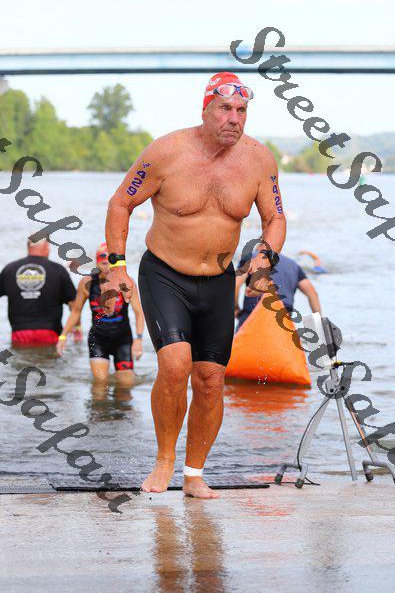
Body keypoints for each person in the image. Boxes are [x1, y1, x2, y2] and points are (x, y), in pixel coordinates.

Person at [104, 71, 287, 498]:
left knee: (210, 378)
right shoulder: (166, 152)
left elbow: (275, 217)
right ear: (205, 110)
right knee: (175, 365)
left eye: (241, 110)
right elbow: (120, 202)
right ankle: (164, 459)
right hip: (165, 273)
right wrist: (117, 266)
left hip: (219, 280)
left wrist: (264, 259)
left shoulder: (259, 160)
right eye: (225, 109)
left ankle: (193, 473)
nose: (234, 118)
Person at [56, 243, 144, 387]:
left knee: (126, 385)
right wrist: (63, 336)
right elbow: (76, 311)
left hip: (122, 339)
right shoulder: (88, 283)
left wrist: (139, 339)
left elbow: (139, 313)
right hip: (98, 340)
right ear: (97, 262)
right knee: (100, 386)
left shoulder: (126, 283)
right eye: (103, 261)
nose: (106, 265)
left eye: (109, 261)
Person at [0, 237, 77, 346]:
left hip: (19, 332)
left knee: (20, 356)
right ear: (46, 246)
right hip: (50, 332)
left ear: (28, 247)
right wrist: (77, 328)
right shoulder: (58, 270)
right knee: (48, 356)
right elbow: (74, 306)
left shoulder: (10, 269)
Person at [235, 247, 321, 330]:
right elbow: (313, 295)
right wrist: (318, 325)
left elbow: (236, 284)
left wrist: (235, 309)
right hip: (284, 317)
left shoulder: (252, 257)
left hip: (254, 313)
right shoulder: (294, 265)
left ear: (259, 246)